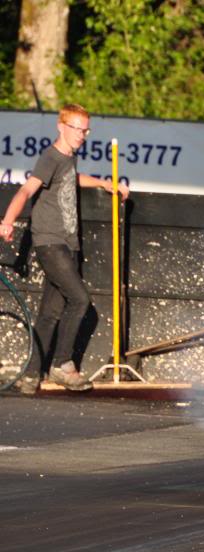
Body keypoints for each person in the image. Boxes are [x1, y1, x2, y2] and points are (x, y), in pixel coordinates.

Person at [0, 104, 129, 394]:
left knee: (50, 313)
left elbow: (71, 179)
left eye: (85, 130)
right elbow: (26, 190)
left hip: (68, 244)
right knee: (80, 300)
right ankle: (62, 364)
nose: (82, 135)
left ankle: (30, 376)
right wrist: (7, 221)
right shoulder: (51, 157)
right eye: (77, 129)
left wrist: (103, 183)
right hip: (50, 242)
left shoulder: (68, 159)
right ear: (61, 127)